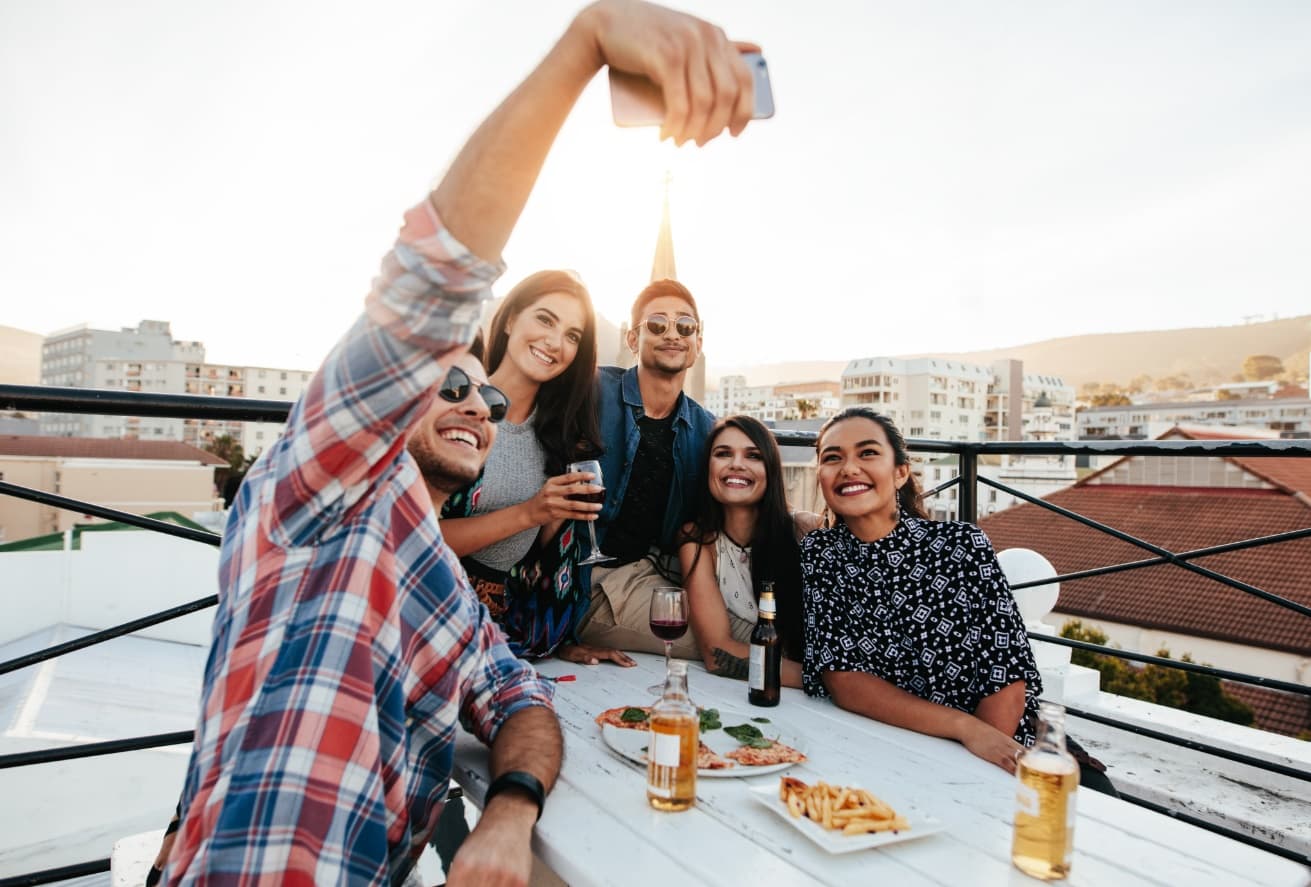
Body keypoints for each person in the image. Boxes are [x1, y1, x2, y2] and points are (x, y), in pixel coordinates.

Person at [160, 3, 765, 883]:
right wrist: (584, 46)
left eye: (485, 400)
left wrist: (510, 812)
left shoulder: (447, 596)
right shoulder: (321, 496)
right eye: (446, 386)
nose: (476, 405)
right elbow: (430, 279)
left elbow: (519, 697)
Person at [801, 407, 1114, 793]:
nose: (849, 468)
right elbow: (845, 679)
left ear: (900, 472)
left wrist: (971, 763)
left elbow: (1005, 677)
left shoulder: (960, 546)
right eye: (832, 457)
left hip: (1003, 750)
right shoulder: (820, 553)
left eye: (867, 453)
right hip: (898, 744)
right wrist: (962, 728)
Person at [440, 270, 635, 669]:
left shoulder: (559, 437)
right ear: (510, 319)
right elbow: (410, 540)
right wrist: (532, 512)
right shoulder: (455, 404)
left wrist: (559, 638)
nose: (555, 342)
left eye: (572, 335)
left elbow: (544, 562)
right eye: (545, 320)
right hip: (430, 614)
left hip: (504, 635)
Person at [575, 279, 717, 656]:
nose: (672, 333)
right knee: (721, 640)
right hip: (586, 579)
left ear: (698, 344)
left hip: (652, 571)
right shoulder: (590, 393)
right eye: (657, 324)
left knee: (755, 620)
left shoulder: (705, 429)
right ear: (633, 339)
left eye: (685, 326)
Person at [678, 415, 818, 683]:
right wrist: (823, 681)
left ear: (771, 469)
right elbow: (717, 653)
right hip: (789, 687)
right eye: (723, 454)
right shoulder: (697, 540)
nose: (736, 464)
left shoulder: (805, 531)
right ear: (708, 467)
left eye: (753, 456)